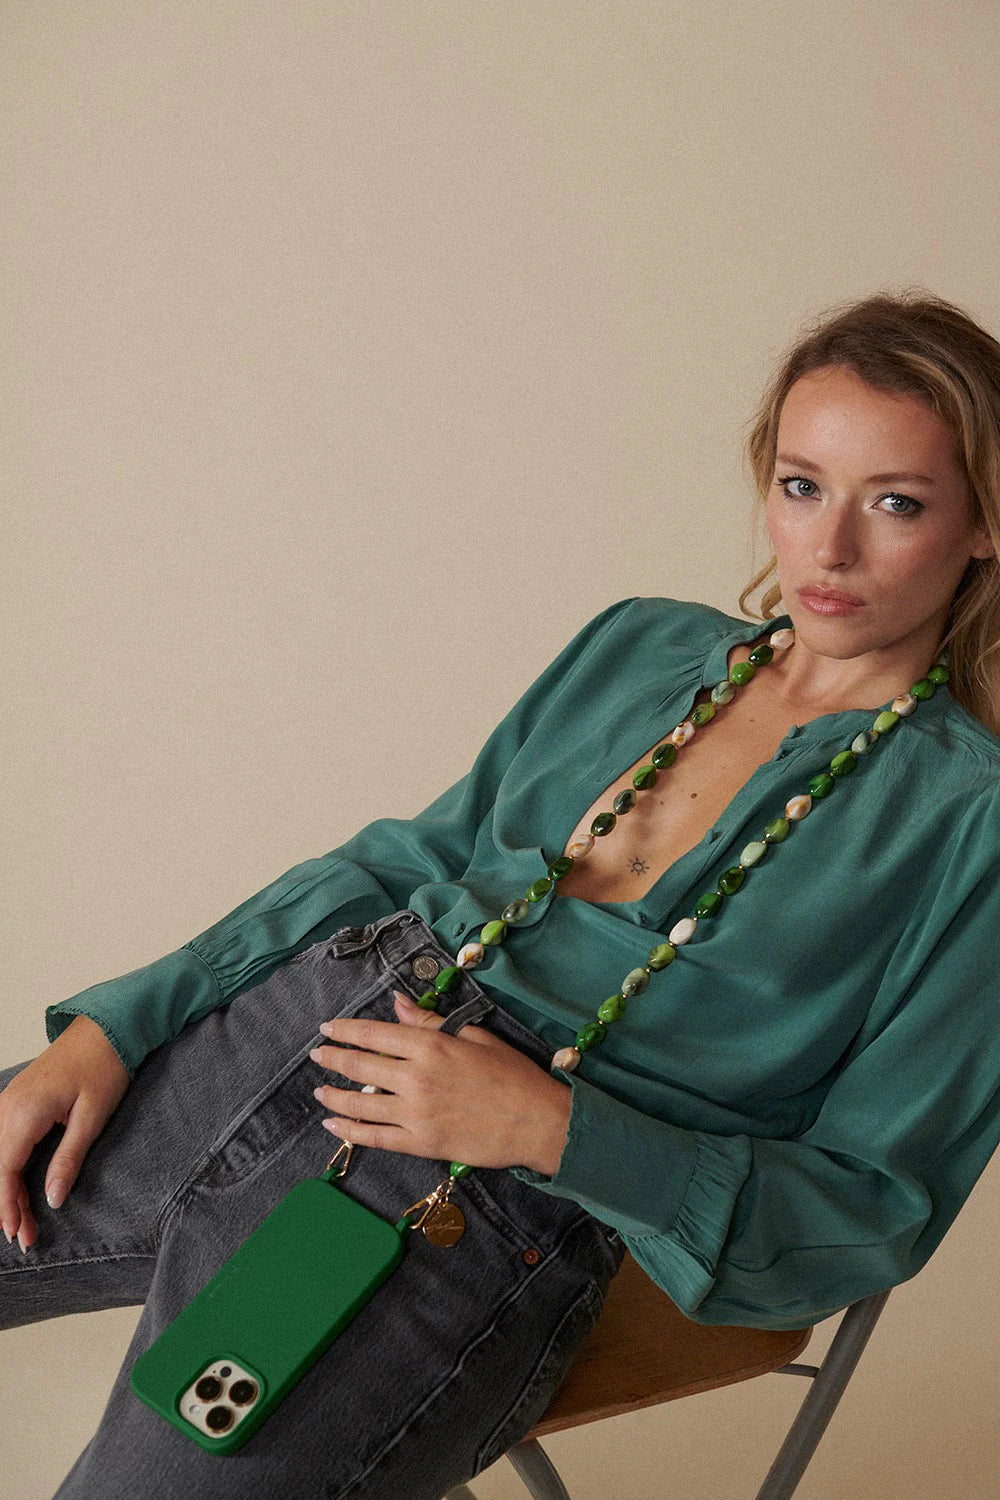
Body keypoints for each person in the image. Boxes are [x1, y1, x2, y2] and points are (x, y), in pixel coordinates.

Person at [3, 288, 1000, 1498]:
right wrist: (120, 1023)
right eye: (801, 486)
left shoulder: (970, 819)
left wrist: (550, 1129)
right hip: (284, 1036)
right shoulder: (638, 645)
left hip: (468, 1203)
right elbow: (395, 865)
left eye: (895, 502)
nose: (827, 549)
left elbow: (874, 1203)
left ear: (982, 524)